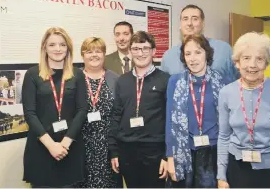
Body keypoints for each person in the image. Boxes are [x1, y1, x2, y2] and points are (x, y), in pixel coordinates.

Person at [22, 27, 88, 188]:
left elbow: (82, 110)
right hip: (42, 147)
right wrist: (51, 145)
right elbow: (29, 113)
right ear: (44, 47)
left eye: (62, 45)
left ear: (68, 48)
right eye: (52, 45)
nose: (57, 49)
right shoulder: (32, 74)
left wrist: (65, 143)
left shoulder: (77, 74)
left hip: (70, 147)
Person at [109, 31, 170, 188]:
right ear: (130, 52)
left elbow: (171, 120)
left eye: (145, 48)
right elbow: (116, 116)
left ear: (154, 52)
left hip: (155, 152)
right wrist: (114, 151)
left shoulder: (165, 80)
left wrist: (167, 155)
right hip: (127, 151)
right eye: (135, 48)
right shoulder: (122, 81)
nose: (140, 53)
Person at [166, 34, 227, 188]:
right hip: (183, 152)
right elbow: (169, 121)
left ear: (207, 53)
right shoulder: (175, 81)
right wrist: (170, 157)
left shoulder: (222, 82)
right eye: (188, 54)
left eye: (198, 52)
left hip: (213, 153)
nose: (192, 58)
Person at [217, 32, 270, 188]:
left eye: (259, 59)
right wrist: (221, 176)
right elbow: (223, 136)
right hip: (237, 167)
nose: (252, 65)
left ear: (267, 63)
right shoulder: (226, 93)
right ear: (237, 62)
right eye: (246, 58)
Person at [74, 37, 120, 188]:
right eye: (89, 51)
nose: (94, 55)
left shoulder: (115, 79)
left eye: (98, 51)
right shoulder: (74, 79)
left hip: (108, 146)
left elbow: (120, 114)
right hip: (81, 145)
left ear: (104, 54)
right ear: (82, 55)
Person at [160, 4, 239, 84]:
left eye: (195, 19)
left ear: (203, 23)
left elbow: (239, 82)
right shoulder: (168, 56)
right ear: (180, 24)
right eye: (185, 19)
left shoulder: (223, 50)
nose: (189, 23)